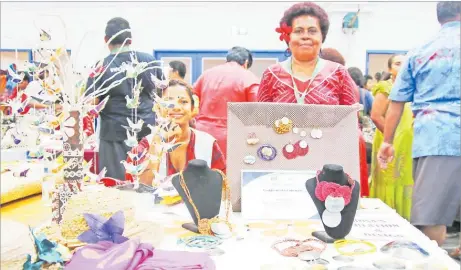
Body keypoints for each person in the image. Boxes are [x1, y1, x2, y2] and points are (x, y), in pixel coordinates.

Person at [257, 2, 369, 197]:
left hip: (329, 164)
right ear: (288, 36)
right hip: (282, 162)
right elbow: (260, 122)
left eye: (312, 31)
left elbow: (351, 124)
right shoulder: (271, 75)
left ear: (321, 37)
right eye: (298, 30)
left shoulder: (338, 74)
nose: (305, 36)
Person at [378, 2, 460, 247]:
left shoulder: (420, 51)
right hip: (439, 136)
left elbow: (397, 101)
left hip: (437, 137)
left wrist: (387, 142)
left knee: (430, 219)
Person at [85, 17, 163, 181]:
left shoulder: (101, 65)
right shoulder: (149, 60)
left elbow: (91, 102)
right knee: (146, 181)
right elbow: (162, 93)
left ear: (106, 40)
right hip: (146, 131)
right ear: (130, 40)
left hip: (114, 134)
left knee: (116, 183)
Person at [129, 79, 226, 186]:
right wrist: (157, 144)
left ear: (193, 108)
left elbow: (222, 188)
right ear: (158, 107)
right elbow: (138, 189)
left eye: (183, 102)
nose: (176, 107)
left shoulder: (208, 144)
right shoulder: (146, 145)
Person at [369, 54, 414, 221]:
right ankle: (385, 220)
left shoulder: (411, 89)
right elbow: (376, 116)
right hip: (389, 142)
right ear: (390, 69)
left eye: (404, 64)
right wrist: (391, 138)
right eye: (397, 63)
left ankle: (404, 219)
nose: (401, 67)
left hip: (408, 145)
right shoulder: (385, 87)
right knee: (389, 179)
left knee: (405, 180)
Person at [193, 46, 259, 159]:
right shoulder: (249, 77)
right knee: (229, 173)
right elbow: (257, 110)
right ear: (246, 63)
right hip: (231, 136)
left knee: (201, 171)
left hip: (201, 133)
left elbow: (191, 98)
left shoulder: (206, 74)